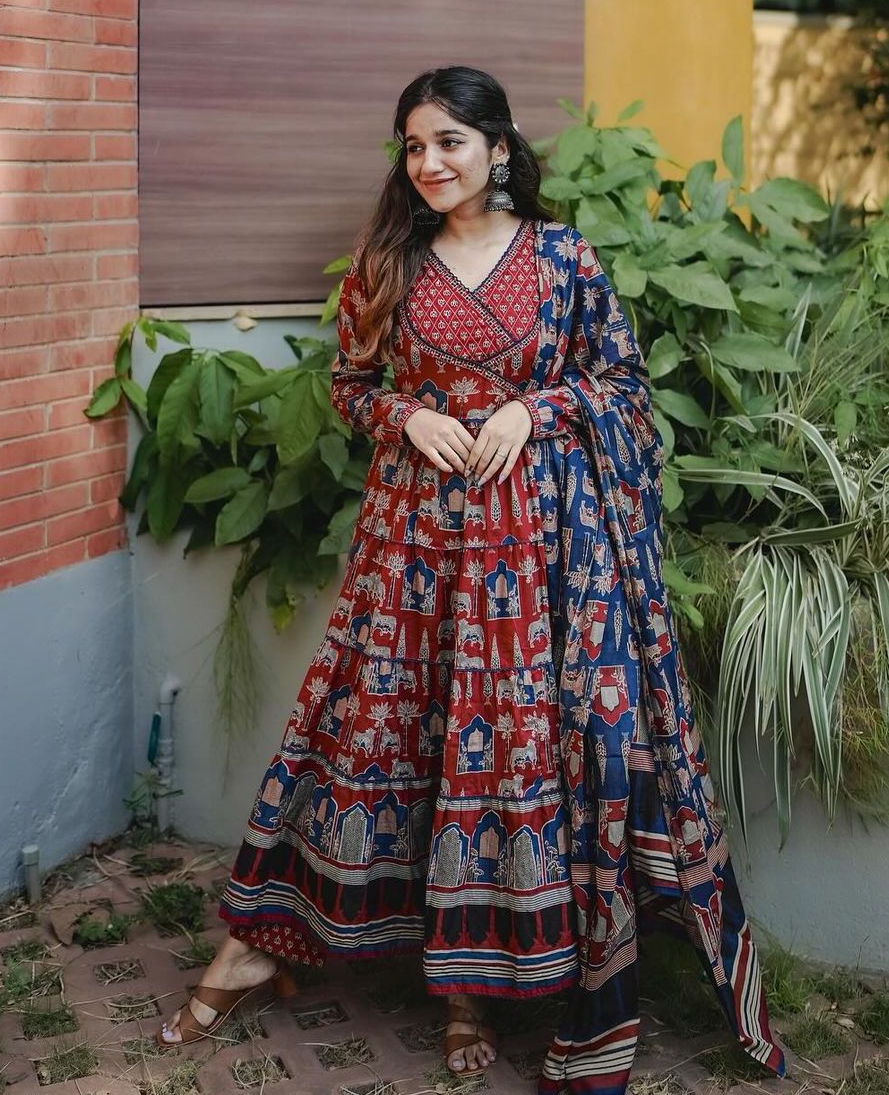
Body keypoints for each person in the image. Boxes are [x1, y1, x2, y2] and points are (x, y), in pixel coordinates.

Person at [157, 67, 786, 1092]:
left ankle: (471, 989)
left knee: (499, 758)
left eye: (449, 140)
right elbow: (351, 384)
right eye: (412, 146)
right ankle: (263, 943)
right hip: (412, 550)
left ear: (500, 145)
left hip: (540, 562)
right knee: (377, 730)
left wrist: (532, 411)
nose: (429, 163)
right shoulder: (388, 264)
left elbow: (623, 383)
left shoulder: (564, 258)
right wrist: (405, 415)